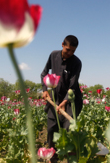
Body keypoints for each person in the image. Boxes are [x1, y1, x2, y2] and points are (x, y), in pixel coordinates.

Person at [41, 35, 83, 163]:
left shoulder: (76, 62)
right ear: (62, 44)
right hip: (54, 99)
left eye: (73, 51)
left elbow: (73, 86)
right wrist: (44, 90)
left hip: (71, 101)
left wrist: (65, 102)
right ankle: (52, 158)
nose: (70, 53)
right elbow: (44, 73)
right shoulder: (53, 55)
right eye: (67, 49)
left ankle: (72, 159)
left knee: (68, 132)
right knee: (51, 129)